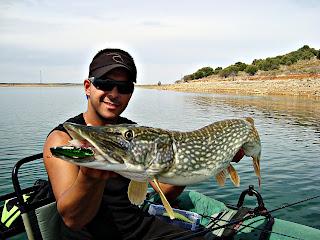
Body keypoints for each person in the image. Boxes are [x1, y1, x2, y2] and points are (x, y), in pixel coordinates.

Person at [43, 48, 244, 240]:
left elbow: (164, 191)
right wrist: (90, 176)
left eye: (124, 87)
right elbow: (72, 219)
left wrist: (192, 164)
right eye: (105, 83)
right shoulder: (62, 140)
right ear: (88, 87)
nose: (114, 94)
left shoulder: (134, 132)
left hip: (136, 228)